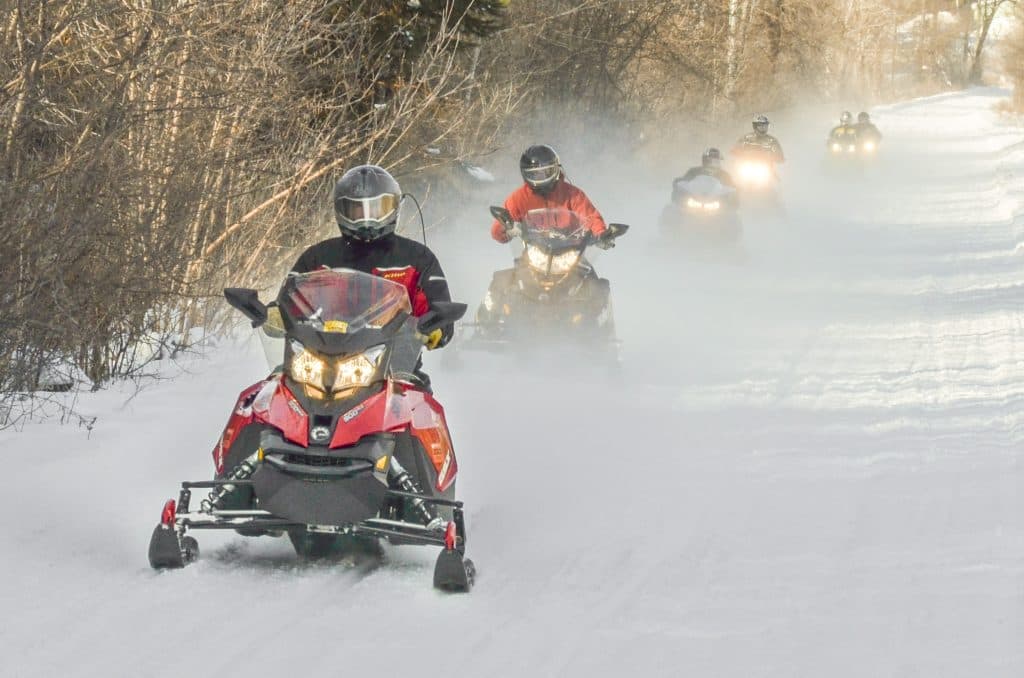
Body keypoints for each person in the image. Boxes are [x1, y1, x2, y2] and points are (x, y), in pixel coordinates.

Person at [284, 164, 454, 350]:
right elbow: (290, 300)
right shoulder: (318, 258)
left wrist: (436, 326)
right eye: (357, 209)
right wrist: (274, 313)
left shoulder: (417, 258)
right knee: (278, 378)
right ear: (342, 209)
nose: (366, 218)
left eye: (376, 209)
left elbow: (438, 307)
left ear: (394, 206)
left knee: (410, 380)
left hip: (394, 363)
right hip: (319, 357)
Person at [491, 144, 610, 247]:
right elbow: (498, 229)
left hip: (571, 251)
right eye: (535, 175)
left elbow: (591, 217)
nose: (541, 178)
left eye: (546, 172)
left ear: (557, 169)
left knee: (589, 272)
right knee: (511, 273)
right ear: (525, 175)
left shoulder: (573, 194)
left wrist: (601, 235)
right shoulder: (519, 198)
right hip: (533, 254)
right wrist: (508, 229)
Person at [672, 147, 737, 204]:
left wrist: (734, 189)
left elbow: (732, 187)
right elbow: (683, 182)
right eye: (710, 160)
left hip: (717, 203)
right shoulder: (694, 171)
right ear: (705, 160)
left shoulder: (724, 175)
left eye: (716, 161)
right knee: (672, 208)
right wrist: (678, 183)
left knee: (733, 214)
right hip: (694, 200)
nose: (713, 163)